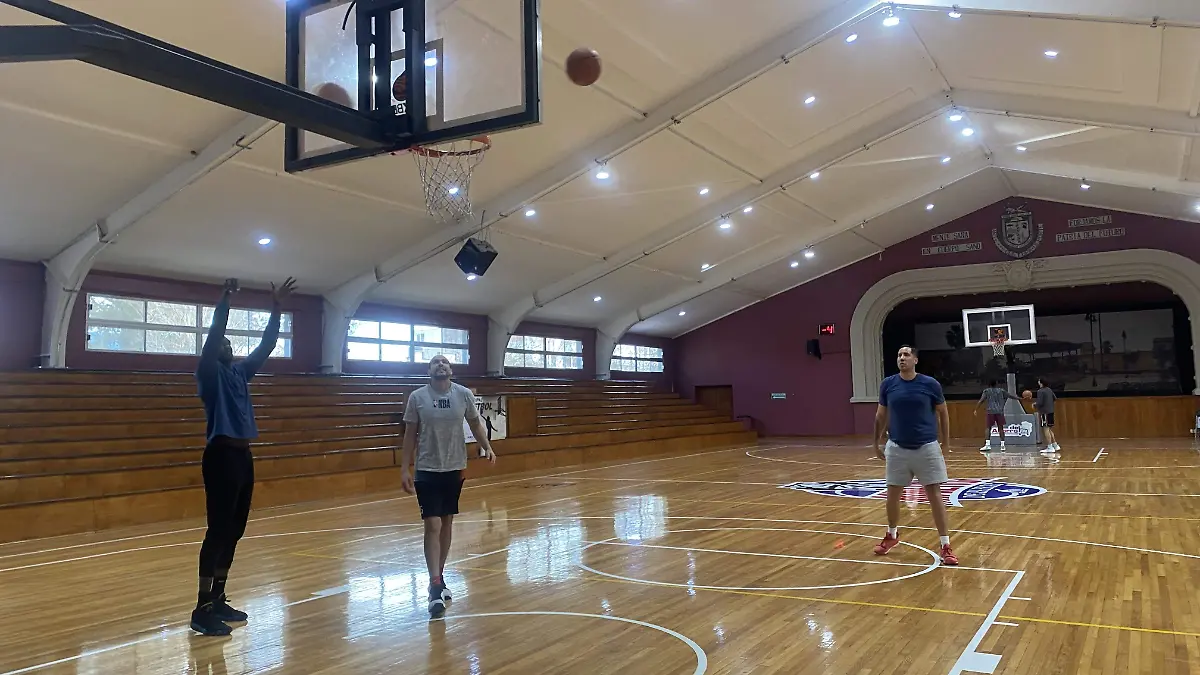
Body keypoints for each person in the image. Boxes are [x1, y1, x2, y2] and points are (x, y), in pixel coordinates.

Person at [190, 276, 296, 636]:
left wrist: (276, 307)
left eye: (227, 342)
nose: (224, 343)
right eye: (219, 341)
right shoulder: (208, 373)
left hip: (243, 456)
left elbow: (267, 345)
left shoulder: (240, 372)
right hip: (220, 454)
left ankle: (218, 597)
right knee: (218, 530)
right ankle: (201, 608)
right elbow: (215, 330)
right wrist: (225, 297)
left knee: (234, 531)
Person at [401, 355, 497, 619]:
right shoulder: (417, 397)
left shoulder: (463, 395)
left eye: (444, 362)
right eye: (435, 362)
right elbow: (410, 434)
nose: (440, 365)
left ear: (451, 370)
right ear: (429, 370)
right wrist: (404, 468)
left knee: (447, 523)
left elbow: (476, 423)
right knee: (432, 524)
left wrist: (487, 446)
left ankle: (439, 577)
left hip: (454, 468)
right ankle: (434, 586)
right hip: (426, 470)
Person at [872, 345, 957, 566]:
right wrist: (876, 441)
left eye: (906, 354)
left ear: (915, 360)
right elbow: (881, 415)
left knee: (934, 495)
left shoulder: (930, 384)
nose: (902, 358)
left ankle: (945, 545)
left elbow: (943, 413)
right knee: (892, 494)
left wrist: (946, 442)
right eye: (899, 355)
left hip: (926, 447)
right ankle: (891, 535)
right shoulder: (888, 385)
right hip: (897, 447)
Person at [973, 379, 1022, 452]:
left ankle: (987, 445)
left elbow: (981, 400)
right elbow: (1011, 396)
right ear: (996, 383)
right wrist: (1021, 398)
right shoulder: (1001, 391)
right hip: (1000, 411)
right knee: (1001, 428)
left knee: (988, 428)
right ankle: (1002, 445)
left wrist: (976, 409)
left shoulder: (986, 391)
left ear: (989, 384)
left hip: (990, 411)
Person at [1034, 377, 1060, 453]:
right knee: (1049, 429)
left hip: (1044, 412)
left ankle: (1050, 447)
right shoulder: (1049, 390)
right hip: (1051, 411)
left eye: (1039, 381)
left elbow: (1040, 403)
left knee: (1045, 429)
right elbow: (1054, 398)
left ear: (1041, 383)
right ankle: (1055, 445)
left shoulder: (1040, 391)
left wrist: (1034, 404)